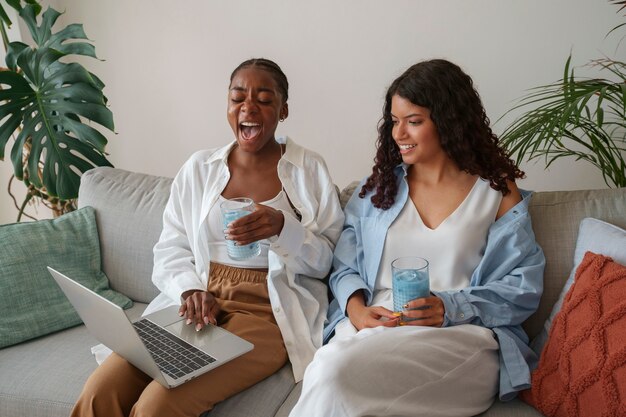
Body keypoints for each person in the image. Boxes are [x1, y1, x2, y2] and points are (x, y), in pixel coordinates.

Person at [70, 58, 345, 417]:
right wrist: (189, 289)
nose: (248, 106)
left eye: (264, 98)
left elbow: (327, 261)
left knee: (157, 405)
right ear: (228, 106)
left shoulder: (308, 170)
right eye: (238, 97)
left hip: (268, 315)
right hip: (202, 306)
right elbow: (171, 247)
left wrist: (283, 228)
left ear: (284, 109)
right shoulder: (200, 169)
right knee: (99, 391)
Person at [289, 59, 545, 417]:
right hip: (375, 328)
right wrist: (358, 311)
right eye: (395, 121)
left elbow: (523, 288)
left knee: (334, 372)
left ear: (448, 120)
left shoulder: (496, 193)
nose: (399, 134)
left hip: (458, 337)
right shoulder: (377, 191)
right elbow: (344, 265)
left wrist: (449, 307)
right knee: (333, 368)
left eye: (414, 121)